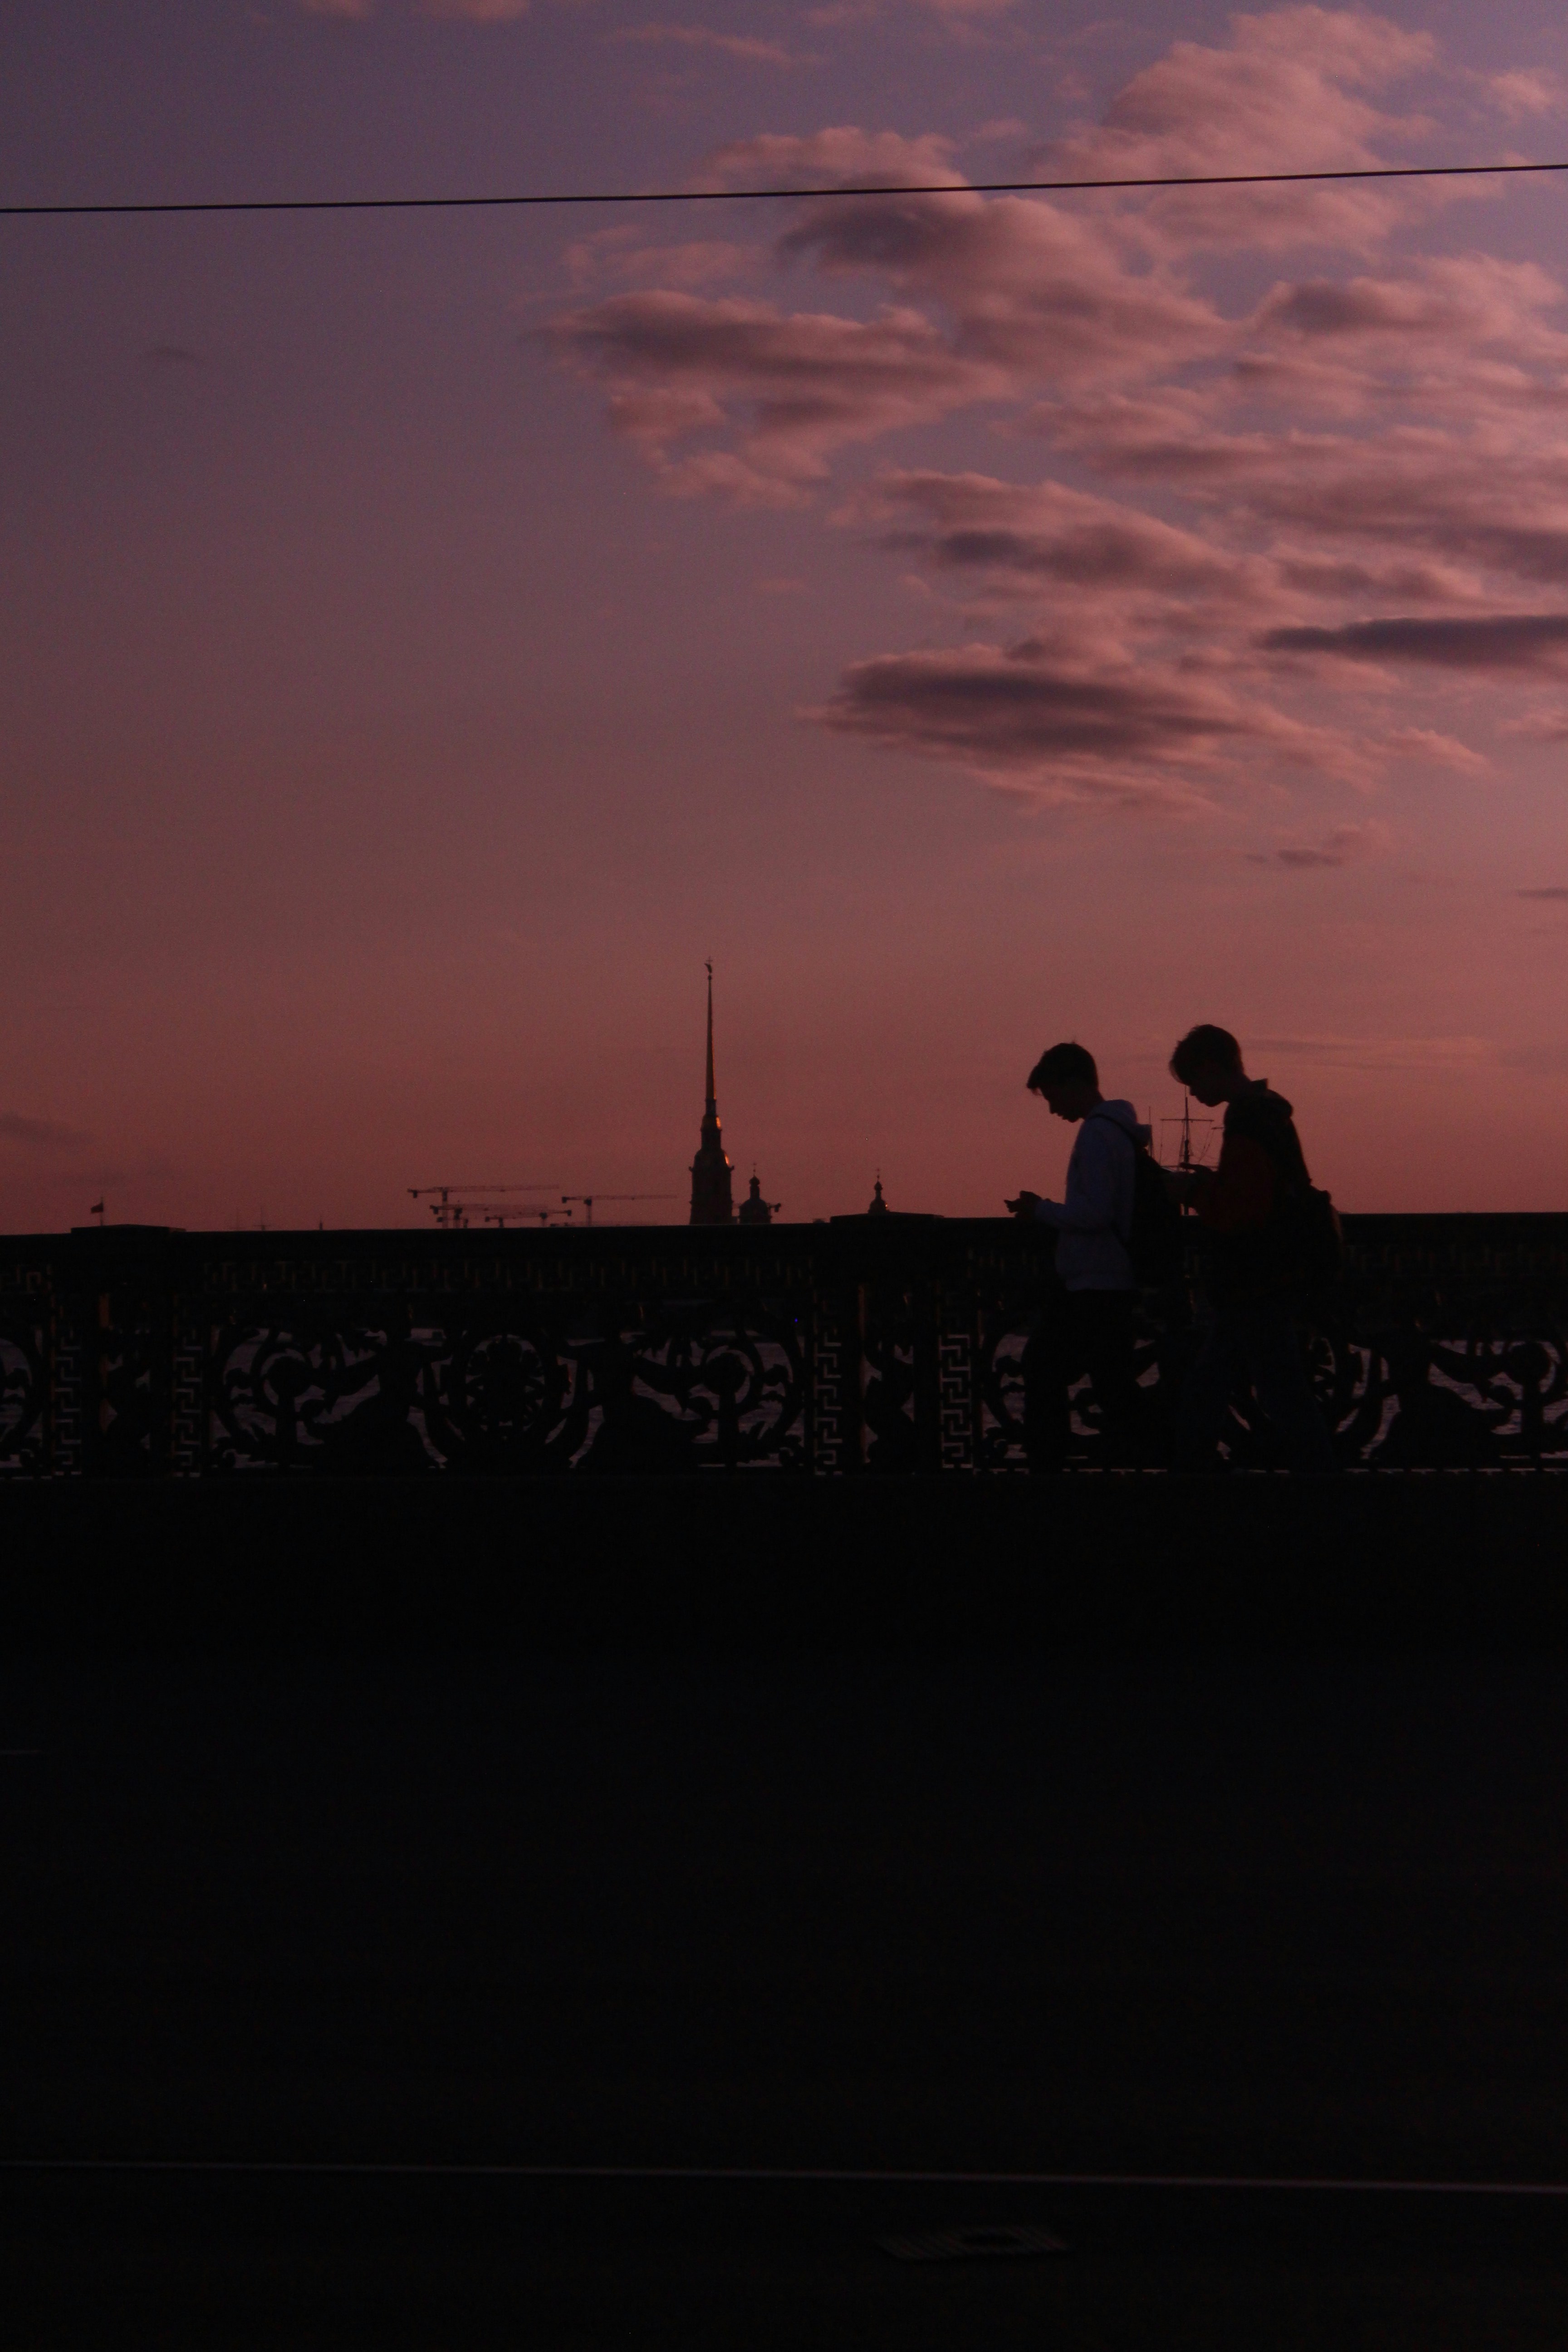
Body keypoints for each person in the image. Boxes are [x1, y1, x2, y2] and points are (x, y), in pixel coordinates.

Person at [1163, 1024, 1335, 1473]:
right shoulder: (1272, 1114)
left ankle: (1190, 1473)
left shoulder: (1246, 1120)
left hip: (1253, 1279)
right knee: (1275, 1388)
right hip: (1277, 1274)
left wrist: (1192, 1194)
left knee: (1226, 1384)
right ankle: (1322, 1477)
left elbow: (1242, 1211)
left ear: (1210, 1068)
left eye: (1193, 1083)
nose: (1194, 1094)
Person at [1007, 1040, 1147, 1469]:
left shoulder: (1096, 1135)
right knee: (1112, 1382)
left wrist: (1041, 1211)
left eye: (1052, 1097)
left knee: (1044, 1367)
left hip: (1095, 1283)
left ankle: (1050, 1465)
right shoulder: (1119, 1130)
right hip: (1113, 1280)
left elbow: (1096, 1213)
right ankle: (1145, 1458)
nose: (1053, 1111)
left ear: (1073, 1085)